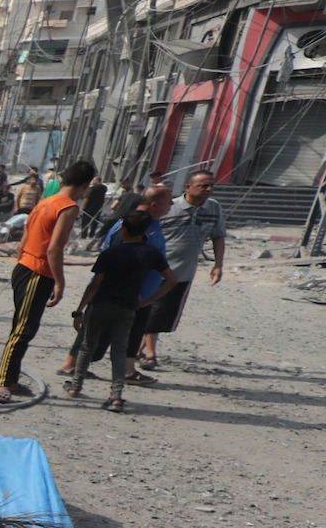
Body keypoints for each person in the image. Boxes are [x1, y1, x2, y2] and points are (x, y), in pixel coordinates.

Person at [0, 159, 92, 404]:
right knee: (23, 329)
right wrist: (60, 282)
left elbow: (25, 239)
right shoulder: (68, 208)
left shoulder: (45, 201)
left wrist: (20, 263)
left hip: (24, 266)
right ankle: (4, 383)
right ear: (84, 186)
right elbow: (54, 249)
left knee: (22, 326)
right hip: (38, 272)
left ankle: (11, 378)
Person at [69, 208, 167, 412]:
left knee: (88, 346)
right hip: (128, 307)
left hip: (101, 305)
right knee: (119, 350)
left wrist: (79, 310)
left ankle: (76, 386)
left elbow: (95, 285)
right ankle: (115, 395)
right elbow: (171, 280)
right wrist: (148, 301)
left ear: (122, 230)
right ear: (146, 231)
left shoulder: (109, 254)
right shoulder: (151, 254)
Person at [142, 169, 226, 368]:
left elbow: (218, 236)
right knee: (152, 310)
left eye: (211, 185)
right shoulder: (169, 207)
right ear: (188, 187)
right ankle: (150, 353)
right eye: (203, 185)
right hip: (157, 270)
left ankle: (139, 347)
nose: (208, 189)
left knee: (165, 314)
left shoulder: (214, 208)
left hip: (184, 272)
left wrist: (218, 264)